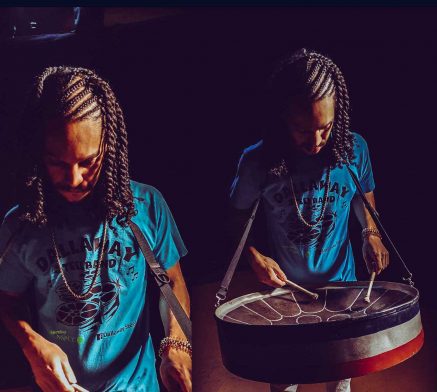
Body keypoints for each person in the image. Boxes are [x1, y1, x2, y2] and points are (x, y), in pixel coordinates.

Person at [0, 66, 192, 392]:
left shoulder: (145, 206)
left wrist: (177, 342)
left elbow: (171, 282)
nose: (74, 179)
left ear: (109, 148)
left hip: (136, 384)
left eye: (88, 162)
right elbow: (6, 300)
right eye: (58, 162)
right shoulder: (21, 226)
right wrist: (32, 344)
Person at [229, 48, 389, 392]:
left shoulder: (353, 149)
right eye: (302, 129)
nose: (315, 141)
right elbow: (237, 216)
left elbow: (364, 197)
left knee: (339, 382)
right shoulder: (257, 162)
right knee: (286, 383)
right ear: (281, 118)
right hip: (285, 292)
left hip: (342, 287)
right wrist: (253, 256)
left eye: (325, 128)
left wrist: (370, 234)